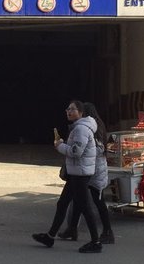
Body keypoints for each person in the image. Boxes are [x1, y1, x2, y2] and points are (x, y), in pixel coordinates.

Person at [32, 99, 102, 253]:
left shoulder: (81, 129)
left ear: (81, 112)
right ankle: (50, 236)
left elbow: (76, 152)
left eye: (72, 109)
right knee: (63, 203)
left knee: (85, 207)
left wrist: (60, 146)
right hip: (75, 173)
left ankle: (96, 242)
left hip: (80, 174)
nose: (68, 112)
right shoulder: (79, 127)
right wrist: (64, 144)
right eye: (68, 109)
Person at [57, 102, 115, 244]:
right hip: (88, 169)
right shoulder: (90, 126)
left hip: (94, 170)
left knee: (97, 201)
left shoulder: (91, 128)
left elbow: (95, 149)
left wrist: (64, 147)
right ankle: (72, 228)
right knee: (78, 200)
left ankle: (107, 232)